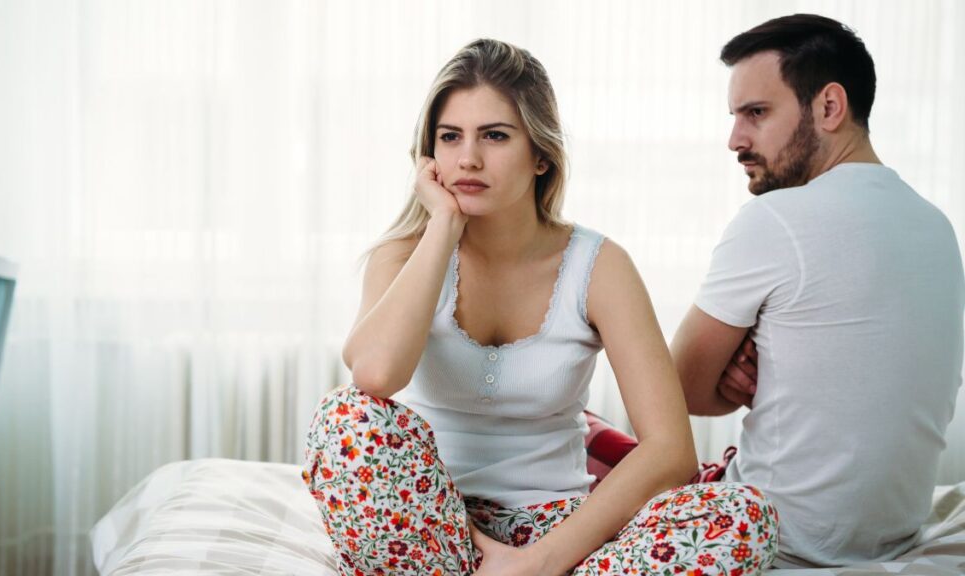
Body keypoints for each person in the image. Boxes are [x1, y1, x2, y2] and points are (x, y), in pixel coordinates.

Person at [303, 38, 778, 576]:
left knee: (744, 516)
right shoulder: (403, 255)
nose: (468, 159)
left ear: (541, 156)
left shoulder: (600, 266)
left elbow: (671, 451)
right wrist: (442, 226)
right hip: (429, 523)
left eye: (495, 136)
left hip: (558, 528)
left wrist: (541, 561)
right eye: (450, 137)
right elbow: (375, 374)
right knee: (345, 416)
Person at [671, 14, 965, 568]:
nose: (735, 139)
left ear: (829, 107)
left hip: (775, 544)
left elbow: (677, 389)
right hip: (892, 534)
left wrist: (730, 382)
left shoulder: (775, 219)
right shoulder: (938, 227)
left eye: (756, 113)